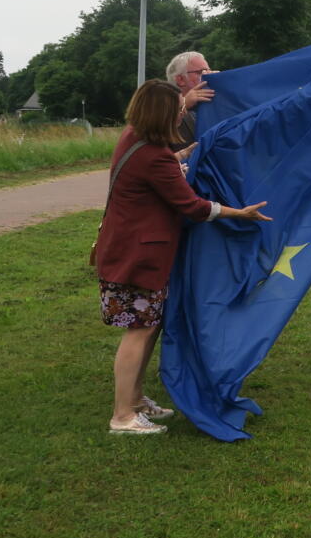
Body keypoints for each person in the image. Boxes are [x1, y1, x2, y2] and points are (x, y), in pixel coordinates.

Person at [94, 79, 272, 434]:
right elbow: (192, 207)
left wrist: (181, 156)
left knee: (148, 327)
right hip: (136, 258)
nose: (181, 114)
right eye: (178, 109)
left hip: (125, 251)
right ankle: (122, 416)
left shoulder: (134, 139)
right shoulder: (154, 156)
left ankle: (135, 400)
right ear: (162, 113)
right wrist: (240, 214)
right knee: (139, 332)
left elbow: (150, 170)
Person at [165, 51, 214, 152]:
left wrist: (223, 85)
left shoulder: (211, 104)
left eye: (209, 71)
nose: (208, 76)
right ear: (181, 80)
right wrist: (184, 103)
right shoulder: (161, 106)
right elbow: (152, 126)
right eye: (201, 72)